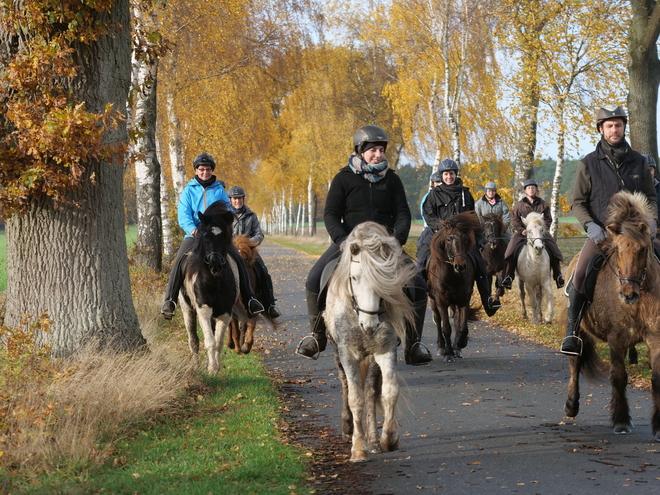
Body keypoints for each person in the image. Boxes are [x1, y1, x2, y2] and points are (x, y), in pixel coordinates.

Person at [296, 125, 432, 365]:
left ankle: (413, 344)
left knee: (418, 285)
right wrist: (343, 241)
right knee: (314, 278)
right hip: (350, 245)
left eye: (381, 150)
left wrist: (396, 239)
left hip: (385, 247)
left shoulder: (392, 180)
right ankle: (317, 337)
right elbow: (330, 214)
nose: (378, 154)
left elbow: (402, 212)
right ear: (360, 151)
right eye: (373, 150)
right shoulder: (343, 179)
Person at [560, 104, 658, 355]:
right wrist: (590, 225)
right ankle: (572, 332)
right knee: (580, 274)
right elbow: (578, 202)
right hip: (603, 234)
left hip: (636, 235)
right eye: (610, 125)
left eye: (619, 125)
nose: (615, 129)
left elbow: (650, 196)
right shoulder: (588, 163)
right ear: (601, 129)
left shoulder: (639, 161)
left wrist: (652, 222)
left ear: (624, 127)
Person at [161, 153, 264, 319]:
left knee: (238, 259)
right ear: (196, 170)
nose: (205, 172)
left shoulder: (219, 190)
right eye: (201, 169)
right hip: (195, 234)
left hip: (217, 235)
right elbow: (184, 214)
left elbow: (227, 212)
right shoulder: (188, 191)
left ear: (212, 170)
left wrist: (224, 229)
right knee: (179, 260)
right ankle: (170, 301)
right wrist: (193, 229)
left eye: (208, 169)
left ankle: (250, 299)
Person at [417, 159, 502, 316]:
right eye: (446, 174)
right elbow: (429, 215)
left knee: (479, 263)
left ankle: (488, 300)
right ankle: (417, 295)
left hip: (462, 238)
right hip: (439, 234)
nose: (449, 177)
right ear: (442, 176)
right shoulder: (434, 194)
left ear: (455, 175)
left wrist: (479, 238)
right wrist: (443, 227)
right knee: (422, 257)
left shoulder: (465, 193)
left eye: (451, 174)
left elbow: (472, 217)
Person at [227, 185, 281, 319]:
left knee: (263, 270)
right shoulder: (225, 215)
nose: (237, 201)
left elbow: (259, 233)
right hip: (230, 251)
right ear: (230, 200)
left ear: (243, 199)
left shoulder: (251, 215)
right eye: (235, 199)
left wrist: (248, 244)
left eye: (239, 198)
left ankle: (269, 305)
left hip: (248, 252)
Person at [475, 181, 512, 246]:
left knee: (511, 240)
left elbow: (506, 215)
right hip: (485, 229)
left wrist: (503, 227)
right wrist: (482, 227)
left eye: (493, 191)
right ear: (486, 191)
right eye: (489, 191)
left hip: (499, 229)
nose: (491, 193)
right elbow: (477, 216)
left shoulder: (501, 202)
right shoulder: (479, 203)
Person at [642, 154, 660, 221]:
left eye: (650, 169)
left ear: (654, 171)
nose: (648, 173)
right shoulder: (634, 187)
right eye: (644, 170)